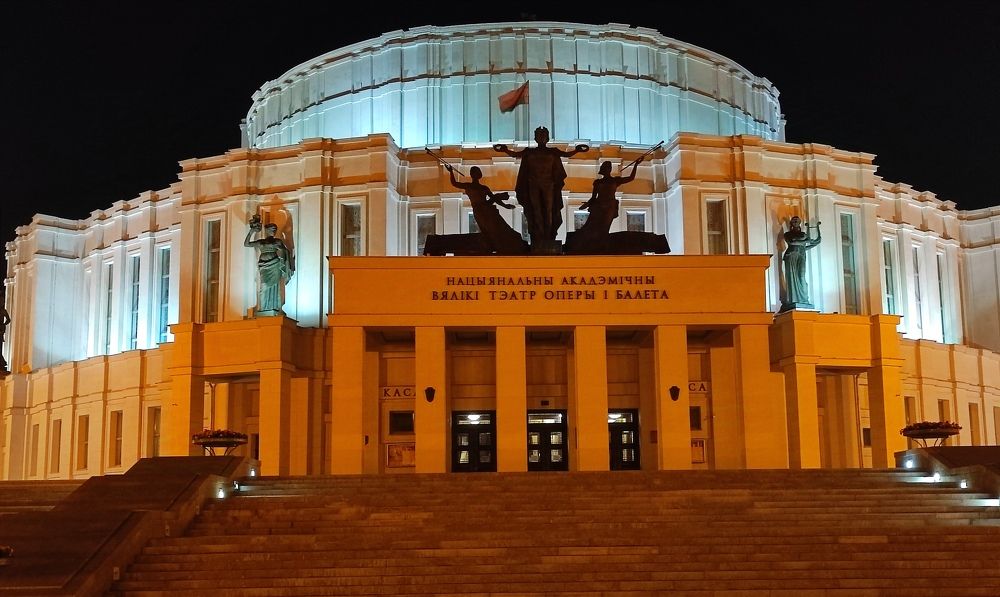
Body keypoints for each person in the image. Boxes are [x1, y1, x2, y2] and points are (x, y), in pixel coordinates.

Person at [493, 126, 589, 245]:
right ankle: (538, 236)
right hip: (533, 185)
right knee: (536, 210)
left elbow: (566, 154)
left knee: (549, 211)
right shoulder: (529, 152)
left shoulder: (553, 152)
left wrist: (577, 150)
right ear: (535, 138)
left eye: (543, 135)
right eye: (539, 135)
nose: (541, 138)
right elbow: (515, 154)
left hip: (549, 185)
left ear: (547, 138)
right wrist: (504, 150)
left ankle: (548, 237)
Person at [445, 164, 528, 255]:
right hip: (479, 211)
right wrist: (451, 172)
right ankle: (494, 243)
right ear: (472, 174)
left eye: (477, 172)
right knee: (487, 228)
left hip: (488, 210)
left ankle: (503, 240)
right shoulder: (468, 186)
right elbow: (454, 183)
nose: (477, 174)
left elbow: (493, 198)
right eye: (475, 172)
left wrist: (505, 206)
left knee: (497, 225)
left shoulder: (484, 188)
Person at [575, 157, 642, 243]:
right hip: (599, 207)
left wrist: (636, 165)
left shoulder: (615, 180)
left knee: (605, 228)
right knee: (592, 224)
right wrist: (587, 204)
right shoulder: (598, 182)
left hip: (610, 207)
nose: (607, 169)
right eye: (606, 167)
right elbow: (593, 197)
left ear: (610, 169)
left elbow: (631, 178)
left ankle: (601, 243)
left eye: (608, 167)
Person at [244, 215, 294, 316]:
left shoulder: (278, 241)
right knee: (264, 286)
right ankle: (263, 308)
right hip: (264, 265)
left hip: (275, 264)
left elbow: (285, 251)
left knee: (275, 286)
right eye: (271, 229)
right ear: (266, 230)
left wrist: (283, 252)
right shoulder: (261, 242)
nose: (273, 231)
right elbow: (247, 244)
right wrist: (252, 231)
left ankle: (275, 307)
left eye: (274, 230)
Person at [780, 216, 821, 311]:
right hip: (791, 256)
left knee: (801, 276)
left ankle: (804, 299)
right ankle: (793, 300)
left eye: (797, 220)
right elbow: (791, 242)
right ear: (791, 223)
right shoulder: (787, 234)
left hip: (801, 255)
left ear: (800, 222)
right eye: (793, 220)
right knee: (792, 278)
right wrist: (806, 241)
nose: (795, 221)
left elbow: (803, 246)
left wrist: (815, 242)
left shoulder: (803, 234)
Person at [0, 305, 9, 373]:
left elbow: (8, 320)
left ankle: (2, 363)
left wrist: (3, 324)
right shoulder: (3, 311)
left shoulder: (3, 311)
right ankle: (2, 362)